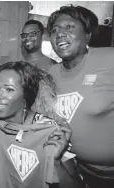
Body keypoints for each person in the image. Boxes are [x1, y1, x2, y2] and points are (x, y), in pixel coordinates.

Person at [47, 5, 114, 188]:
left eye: (69, 27)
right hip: (79, 172)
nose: (59, 33)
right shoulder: (50, 74)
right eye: (55, 30)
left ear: (88, 35)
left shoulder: (109, 59)